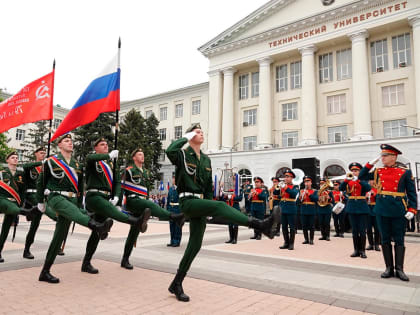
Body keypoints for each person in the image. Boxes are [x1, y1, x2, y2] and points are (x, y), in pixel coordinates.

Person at [165, 123, 280, 302]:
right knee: (219, 206)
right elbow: (170, 150)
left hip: (201, 202)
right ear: (190, 136)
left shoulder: (205, 159)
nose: (201, 134)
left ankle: (176, 283)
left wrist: (208, 204)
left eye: (202, 131)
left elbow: (208, 187)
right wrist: (186, 137)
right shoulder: (182, 154)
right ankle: (259, 224)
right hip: (187, 201)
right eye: (197, 132)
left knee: (195, 245)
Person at [37, 134, 113, 283]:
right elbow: (41, 182)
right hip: (56, 197)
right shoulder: (51, 161)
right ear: (59, 145)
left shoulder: (77, 165)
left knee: (58, 237)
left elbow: (79, 188)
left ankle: (45, 271)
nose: (70, 143)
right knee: (72, 211)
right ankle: (96, 226)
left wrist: (78, 204)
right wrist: (40, 201)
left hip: (72, 199)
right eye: (66, 141)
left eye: (71, 141)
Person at [81, 138, 151, 274]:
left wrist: (117, 198)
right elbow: (90, 158)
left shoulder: (111, 164)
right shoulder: (93, 159)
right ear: (96, 148)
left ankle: (86, 262)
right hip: (94, 196)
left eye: (107, 144)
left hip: (106, 197)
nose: (106, 146)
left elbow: (118, 182)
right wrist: (109, 155)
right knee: (109, 213)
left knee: (96, 232)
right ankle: (135, 222)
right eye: (102, 144)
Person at [359, 144, 417, 281]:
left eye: (385, 156)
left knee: (399, 239)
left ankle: (400, 269)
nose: (382, 158)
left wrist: (412, 209)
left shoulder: (405, 172)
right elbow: (361, 176)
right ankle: (388, 268)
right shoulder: (378, 171)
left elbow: (412, 193)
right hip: (382, 208)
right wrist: (369, 164)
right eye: (382, 155)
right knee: (384, 239)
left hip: (398, 209)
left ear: (394, 157)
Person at [120, 148, 185, 269]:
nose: (142, 156)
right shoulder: (129, 171)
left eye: (143, 154)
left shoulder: (146, 172)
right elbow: (121, 187)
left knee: (133, 234)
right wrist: (118, 202)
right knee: (150, 205)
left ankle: (125, 259)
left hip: (142, 202)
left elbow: (146, 189)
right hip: (133, 201)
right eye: (139, 154)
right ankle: (173, 217)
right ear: (134, 157)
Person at [21, 147, 60, 259]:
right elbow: (25, 167)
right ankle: (27, 249)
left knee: (35, 225)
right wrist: (40, 163)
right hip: (32, 196)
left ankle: (55, 247)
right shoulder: (31, 166)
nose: (43, 154)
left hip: (44, 196)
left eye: (44, 153)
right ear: (35, 154)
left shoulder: (47, 168)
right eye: (41, 153)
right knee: (54, 216)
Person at [340, 162, 370, 259]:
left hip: (361, 206)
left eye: (356, 171)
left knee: (362, 230)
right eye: (352, 171)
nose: (354, 172)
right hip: (352, 206)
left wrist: (359, 179)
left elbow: (368, 187)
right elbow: (341, 188)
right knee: (355, 230)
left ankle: (363, 250)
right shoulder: (349, 181)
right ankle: (356, 250)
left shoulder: (363, 180)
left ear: (360, 171)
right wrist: (346, 180)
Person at [0, 152, 25, 263]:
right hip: (2, 202)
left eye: (16, 158)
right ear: (7, 160)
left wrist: (20, 205)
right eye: (12, 158)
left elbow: (22, 192)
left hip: (14, 204)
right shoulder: (2, 173)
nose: (15, 159)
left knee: (5, 230)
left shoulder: (21, 175)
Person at [279, 169, 299, 250]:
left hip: (291, 209)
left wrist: (285, 187)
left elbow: (294, 194)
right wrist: (277, 188)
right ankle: (286, 242)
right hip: (283, 208)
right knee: (284, 227)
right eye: (285, 177)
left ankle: (291, 243)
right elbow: (277, 194)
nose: (286, 178)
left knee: (292, 227)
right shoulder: (283, 186)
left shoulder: (295, 186)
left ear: (292, 178)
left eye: (288, 177)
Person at [222, 174, 243, 244]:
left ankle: (235, 239)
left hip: (235, 206)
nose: (233, 182)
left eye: (234, 180)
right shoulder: (229, 189)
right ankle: (231, 238)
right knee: (230, 223)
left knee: (235, 223)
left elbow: (240, 198)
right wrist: (225, 196)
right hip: (229, 207)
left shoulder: (239, 189)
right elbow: (223, 198)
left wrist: (232, 198)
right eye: (232, 180)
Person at [299, 176, 318, 245]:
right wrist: (300, 197)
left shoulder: (315, 191)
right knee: (304, 225)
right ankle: (306, 239)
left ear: (311, 183)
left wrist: (309, 194)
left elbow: (315, 199)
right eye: (305, 182)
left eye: (308, 182)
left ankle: (311, 239)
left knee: (311, 226)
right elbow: (298, 202)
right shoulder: (301, 191)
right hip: (303, 209)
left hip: (311, 209)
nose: (306, 183)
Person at [167, 174, 182, 247]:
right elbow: (168, 200)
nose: (173, 180)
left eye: (174, 178)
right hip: (171, 209)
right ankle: (172, 240)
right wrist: (167, 210)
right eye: (172, 178)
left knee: (177, 226)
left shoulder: (180, 189)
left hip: (178, 209)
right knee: (171, 226)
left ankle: (177, 241)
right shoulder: (170, 189)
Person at [366, 180, 380, 251]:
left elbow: (380, 199)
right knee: (368, 229)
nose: (370, 182)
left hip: (375, 210)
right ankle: (370, 244)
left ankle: (377, 244)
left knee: (377, 228)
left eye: (372, 180)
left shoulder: (377, 189)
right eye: (370, 181)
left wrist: (374, 194)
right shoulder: (366, 189)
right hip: (368, 210)